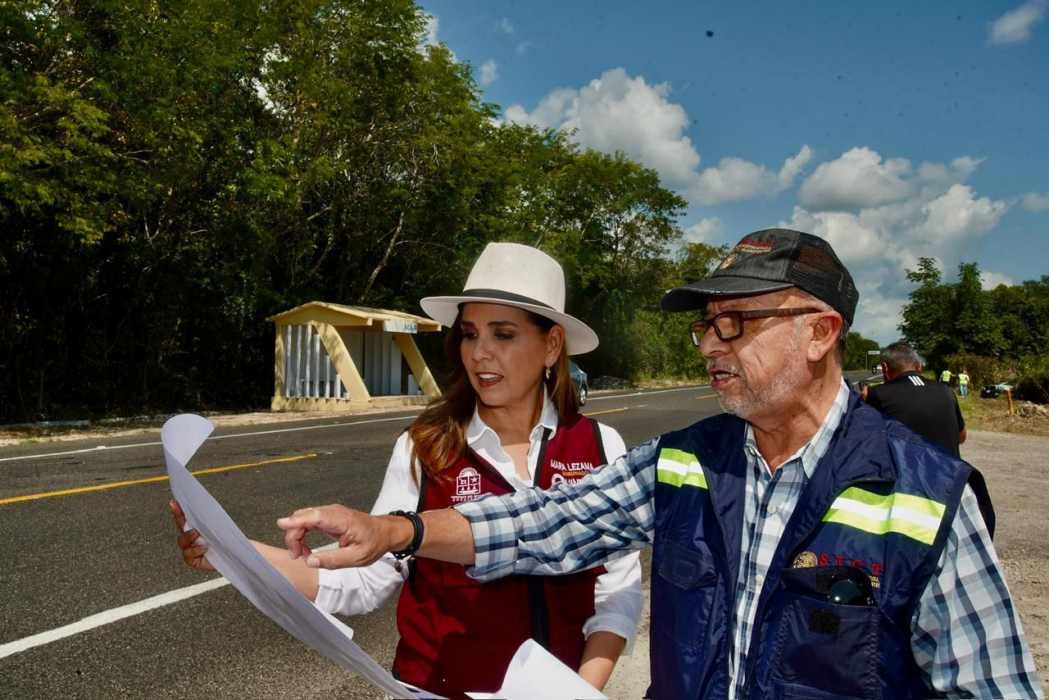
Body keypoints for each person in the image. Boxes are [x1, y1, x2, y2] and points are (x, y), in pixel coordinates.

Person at [277, 229, 1044, 700]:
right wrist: (396, 530)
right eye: (707, 326)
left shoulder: (925, 496)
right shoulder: (683, 464)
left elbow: (991, 686)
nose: (711, 344)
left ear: (820, 332)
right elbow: (544, 524)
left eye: (735, 323)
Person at [172, 242, 642, 698]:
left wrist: (579, 692)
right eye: (470, 334)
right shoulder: (426, 447)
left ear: (552, 344)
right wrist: (228, 549)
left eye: (503, 334)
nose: (479, 353)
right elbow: (363, 580)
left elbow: (616, 595)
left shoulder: (601, 446)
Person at [866, 342, 967, 458]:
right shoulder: (946, 391)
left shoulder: (877, 394)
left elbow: (864, 440)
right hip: (951, 473)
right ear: (919, 366)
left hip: (906, 474)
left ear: (885, 368)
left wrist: (863, 402)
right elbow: (961, 436)